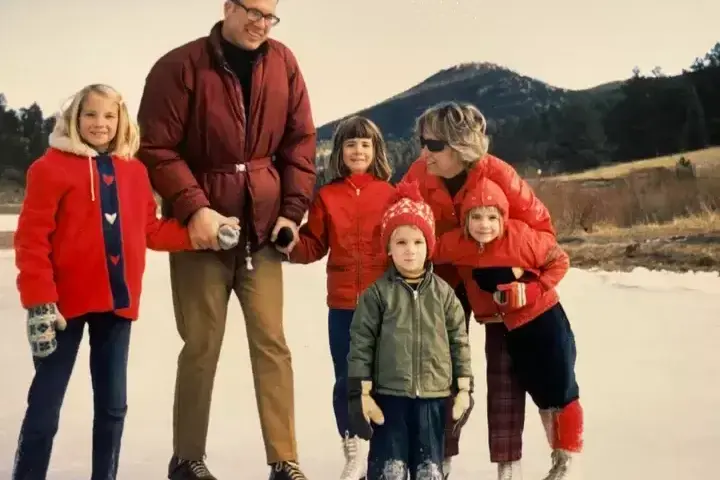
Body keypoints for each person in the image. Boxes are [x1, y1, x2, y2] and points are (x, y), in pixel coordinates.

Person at [135, 1, 317, 479]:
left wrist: (292, 211)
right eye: (253, 11)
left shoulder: (284, 63)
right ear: (228, 7)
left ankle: (284, 460)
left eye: (270, 15)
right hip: (201, 236)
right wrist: (194, 208)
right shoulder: (180, 66)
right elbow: (155, 146)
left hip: (263, 232)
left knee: (272, 343)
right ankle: (187, 458)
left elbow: (299, 144)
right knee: (202, 343)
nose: (261, 23)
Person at [10, 84, 229, 480]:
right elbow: (32, 240)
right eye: (91, 114)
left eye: (109, 116)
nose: (100, 124)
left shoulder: (134, 172)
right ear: (75, 118)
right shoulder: (49, 168)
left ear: (121, 120)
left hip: (116, 305)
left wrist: (204, 235)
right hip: (61, 309)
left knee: (113, 407)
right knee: (45, 405)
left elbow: (151, 230)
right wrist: (40, 300)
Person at [401, 101, 555, 479]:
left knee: (505, 373)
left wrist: (515, 270)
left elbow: (543, 234)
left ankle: (508, 468)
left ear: (460, 146)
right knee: (440, 369)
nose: (424, 152)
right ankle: (437, 461)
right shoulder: (418, 174)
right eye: (422, 142)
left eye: (433, 145)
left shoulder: (499, 175)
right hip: (442, 279)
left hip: (496, 283)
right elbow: (398, 224)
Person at [433, 177, 583, 480]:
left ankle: (565, 455)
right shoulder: (458, 243)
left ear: (503, 217)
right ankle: (513, 465)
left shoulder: (521, 237)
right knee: (507, 394)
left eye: (492, 217)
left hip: (543, 319)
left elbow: (559, 260)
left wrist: (534, 287)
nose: (484, 225)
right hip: (499, 324)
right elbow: (428, 247)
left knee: (556, 388)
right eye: (476, 217)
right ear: (465, 220)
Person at [286, 115, 395, 479]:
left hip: (385, 304)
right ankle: (354, 447)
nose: (358, 151)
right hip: (344, 305)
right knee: (348, 378)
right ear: (339, 152)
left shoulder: (391, 194)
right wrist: (289, 244)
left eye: (365, 144)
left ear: (376, 150)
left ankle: (385, 452)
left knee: (384, 378)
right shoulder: (328, 196)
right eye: (350, 144)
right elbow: (314, 244)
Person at [346, 181, 473, 480]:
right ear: (388, 248)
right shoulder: (377, 295)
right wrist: (360, 392)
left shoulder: (444, 295)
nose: (410, 251)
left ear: (429, 246)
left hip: (433, 397)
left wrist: (464, 387)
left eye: (418, 242)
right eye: (401, 242)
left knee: (429, 468)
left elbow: (459, 341)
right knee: (389, 468)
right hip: (389, 396)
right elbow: (361, 344)